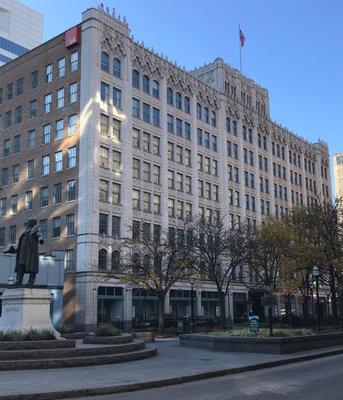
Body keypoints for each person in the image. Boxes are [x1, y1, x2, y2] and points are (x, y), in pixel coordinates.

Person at [4, 218, 44, 286]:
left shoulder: (35, 229)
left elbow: (39, 235)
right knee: (20, 266)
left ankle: (30, 282)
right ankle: (19, 281)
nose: (28, 222)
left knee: (32, 268)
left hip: (30, 253)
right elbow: (21, 245)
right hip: (22, 254)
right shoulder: (25, 232)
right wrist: (13, 250)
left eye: (29, 221)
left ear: (33, 223)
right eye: (28, 221)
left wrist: (41, 240)